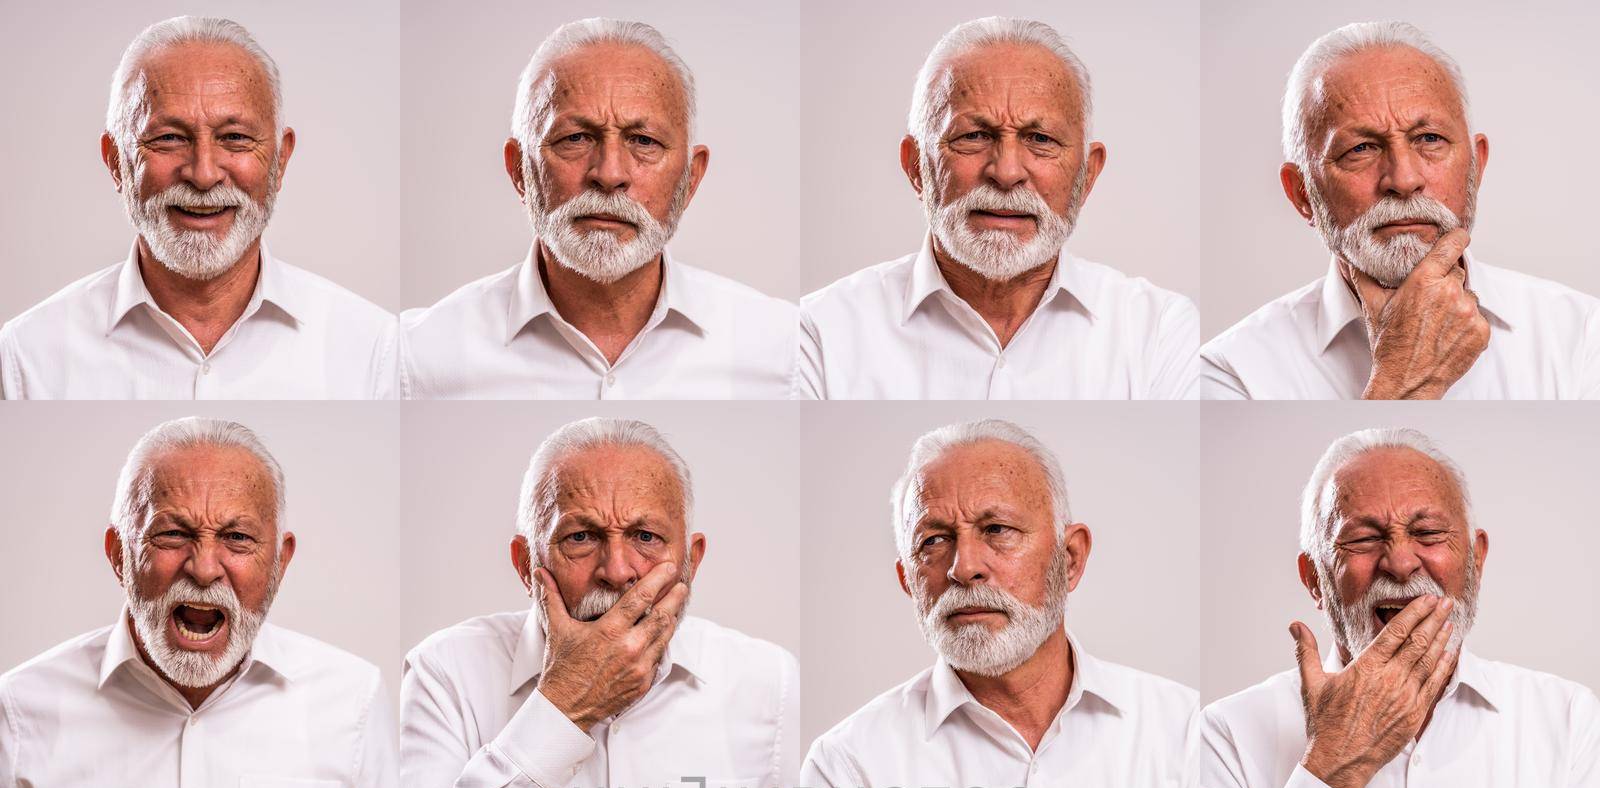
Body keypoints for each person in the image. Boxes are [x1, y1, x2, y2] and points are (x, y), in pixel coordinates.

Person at [399, 417, 798, 788]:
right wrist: (564, 705)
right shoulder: (443, 673)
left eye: (646, 536)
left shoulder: (770, 682)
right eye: (580, 537)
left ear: (691, 562)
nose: (617, 571)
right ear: (525, 566)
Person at [0, 415, 397, 788]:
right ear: (119, 555)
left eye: (237, 537)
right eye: (173, 534)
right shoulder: (18, 712)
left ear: (280, 563)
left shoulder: (353, 701)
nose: (204, 569)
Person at [0, 16, 396, 399]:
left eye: (235, 137)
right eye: (169, 138)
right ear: (116, 162)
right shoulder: (24, 359)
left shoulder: (373, 349)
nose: (204, 174)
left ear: (280, 161)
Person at [800, 18, 1198, 398]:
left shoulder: (1158, 332)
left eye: (1040, 139)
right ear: (916, 166)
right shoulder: (821, 332)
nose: (1006, 173)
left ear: (1087, 176)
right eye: (973, 136)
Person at [1200, 21, 1600, 400]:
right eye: (1360, 149)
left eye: (1429, 139)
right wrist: (1401, 381)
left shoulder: (1581, 337)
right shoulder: (1232, 370)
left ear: (1476, 168)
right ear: (1303, 193)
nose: (1404, 179)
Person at [801, 419, 1197, 788]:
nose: (965, 567)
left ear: (1071, 558)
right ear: (909, 581)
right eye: (934, 540)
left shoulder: (1182, 731)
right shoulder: (849, 767)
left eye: (997, 530)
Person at [401, 19, 797, 398]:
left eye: (643, 141)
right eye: (575, 137)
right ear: (519, 169)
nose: (609, 174)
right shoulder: (418, 359)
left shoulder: (784, 352)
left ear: (690, 178)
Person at [1202, 428, 1600, 788]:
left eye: (1427, 533)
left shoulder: (1569, 720)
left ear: (1475, 561)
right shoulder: (1226, 734)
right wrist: (1332, 764)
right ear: (1315, 580)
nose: (1401, 562)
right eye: (1363, 539)